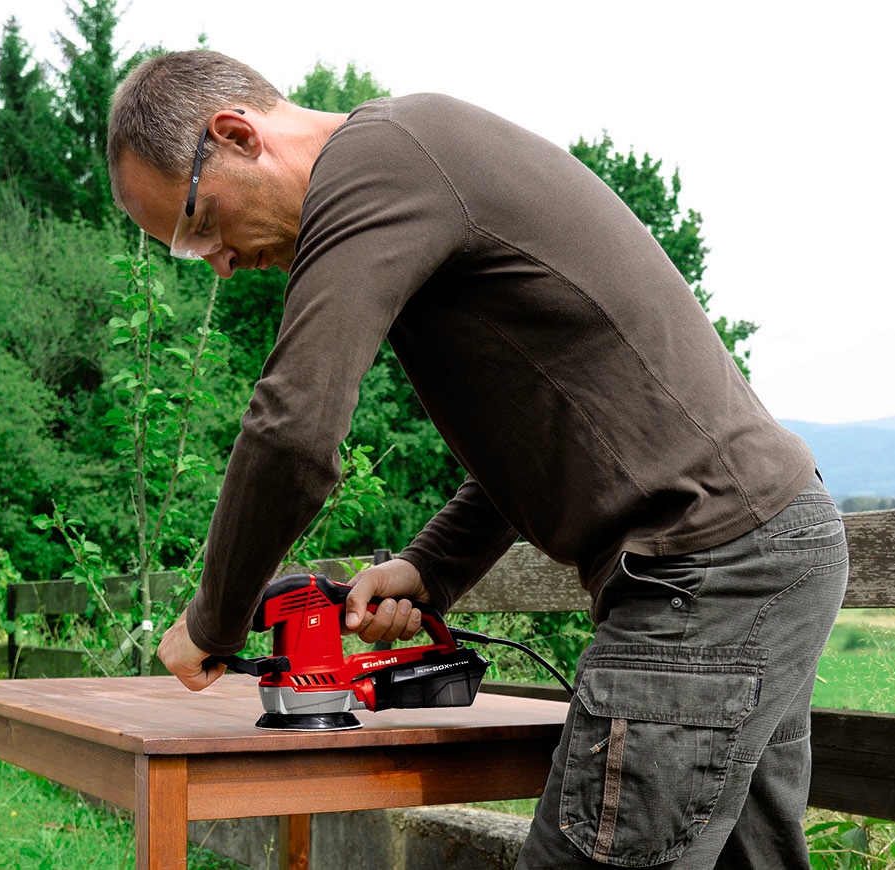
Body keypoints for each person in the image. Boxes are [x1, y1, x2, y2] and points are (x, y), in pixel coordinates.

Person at [106, 49, 849, 870]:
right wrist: (431, 568)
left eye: (198, 225)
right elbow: (552, 429)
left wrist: (213, 619)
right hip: (764, 548)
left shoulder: (376, 165)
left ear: (237, 134)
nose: (216, 261)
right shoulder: (410, 167)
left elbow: (292, 431)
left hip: (709, 571)